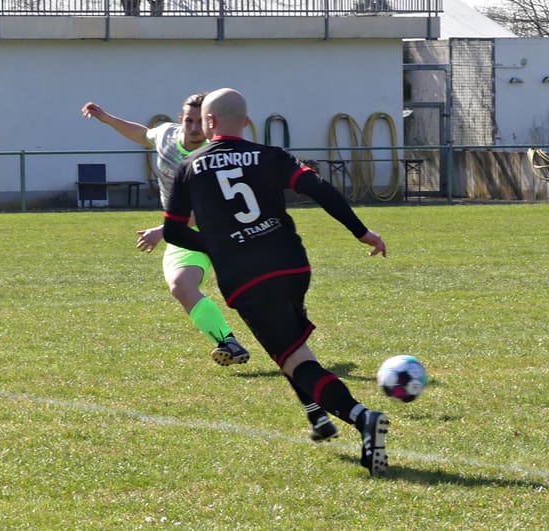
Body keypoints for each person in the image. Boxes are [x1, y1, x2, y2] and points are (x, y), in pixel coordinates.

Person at [82, 94, 339, 443]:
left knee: (275, 321)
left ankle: (311, 395)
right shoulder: (169, 137)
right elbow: (143, 134)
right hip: (190, 237)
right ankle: (228, 343)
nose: (192, 128)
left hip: (228, 233)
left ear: (210, 122)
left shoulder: (215, 156)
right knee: (180, 286)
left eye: (198, 122)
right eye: (186, 121)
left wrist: (163, 230)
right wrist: (106, 117)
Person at [163, 88, 390, 476]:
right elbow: (319, 188)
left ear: (209, 123)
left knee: (293, 359)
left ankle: (361, 417)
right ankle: (316, 415)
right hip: (292, 264)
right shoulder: (271, 156)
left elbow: (173, 231)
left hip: (248, 277)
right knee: (293, 347)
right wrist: (361, 231)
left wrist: (217, 246)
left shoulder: (190, 166)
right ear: (247, 122)